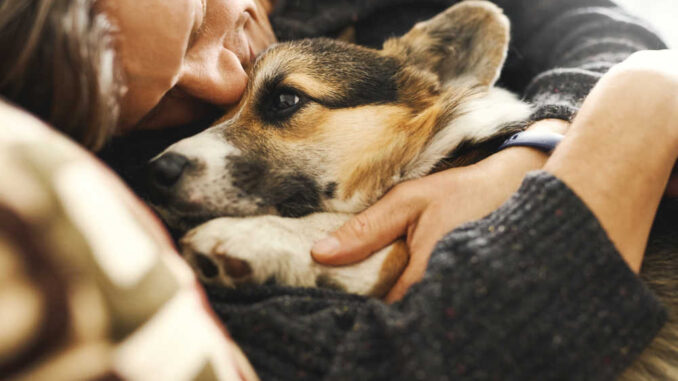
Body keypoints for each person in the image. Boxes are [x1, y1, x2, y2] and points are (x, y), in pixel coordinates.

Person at [0, 0, 676, 379]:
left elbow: (592, 23)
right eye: (155, 100)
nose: (221, 80)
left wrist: (539, 144)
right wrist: (638, 111)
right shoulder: (127, 199)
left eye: (203, 15)